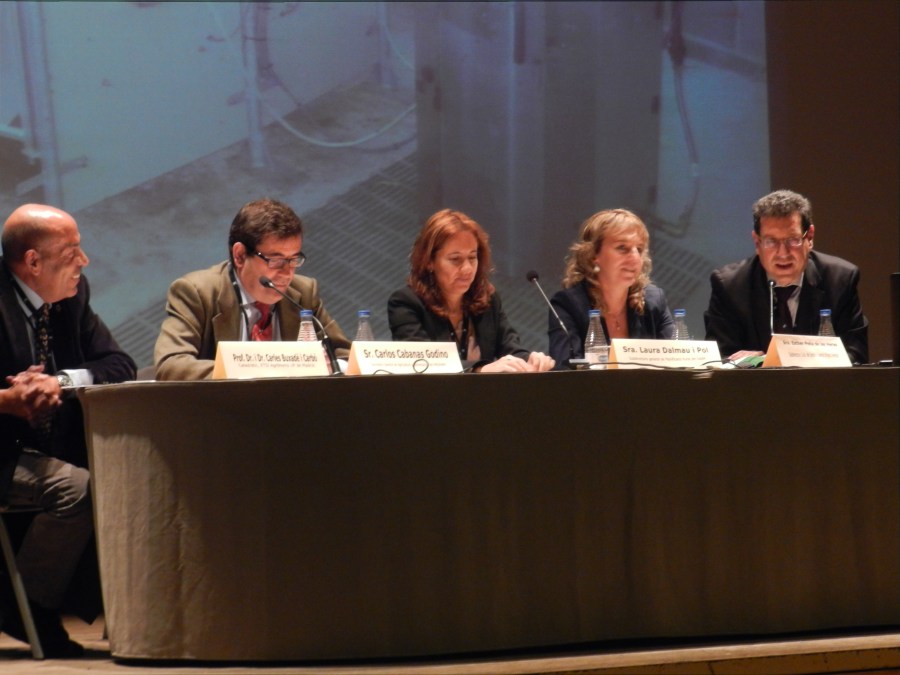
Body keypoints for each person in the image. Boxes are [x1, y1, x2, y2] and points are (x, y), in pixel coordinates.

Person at [0, 203, 136, 657]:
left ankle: (131, 612)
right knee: (77, 489)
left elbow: (119, 363)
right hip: (4, 449)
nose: (84, 261)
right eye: (71, 251)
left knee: (125, 475)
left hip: (47, 446)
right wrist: (7, 401)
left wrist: (58, 381)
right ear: (33, 262)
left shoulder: (72, 297)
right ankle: (27, 608)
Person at [154, 198, 350, 380]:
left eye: (293, 259)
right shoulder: (197, 293)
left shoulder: (303, 293)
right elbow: (171, 365)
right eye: (275, 260)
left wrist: (330, 367)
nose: (287, 273)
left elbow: (347, 358)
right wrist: (258, 369)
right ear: (240, 255)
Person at [704, 189, 868, 364]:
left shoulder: (840, 280)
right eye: (771, 242)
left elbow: (856, 357)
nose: (783, 253)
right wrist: (753, 363)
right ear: (757, 242)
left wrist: (793, 361)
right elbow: (718, 361)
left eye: (792, 240)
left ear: (810, 237)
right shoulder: (730, 286)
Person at [388, 209, 554, 372]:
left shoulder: (487, 299)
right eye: (456, 259)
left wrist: (530, 360)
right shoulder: (406, 303)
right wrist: (480, 370)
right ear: (429, 261)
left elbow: (510, 348)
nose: (467, 268)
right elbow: (422, 365)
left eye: (472, 257)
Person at [549, 209, 674, 364]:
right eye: (622, 247)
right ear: (593, 255)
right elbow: (564, 369)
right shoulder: (568, 305)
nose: (635, 258)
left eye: (639, 249)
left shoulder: (653, 301)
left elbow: (677, 361)